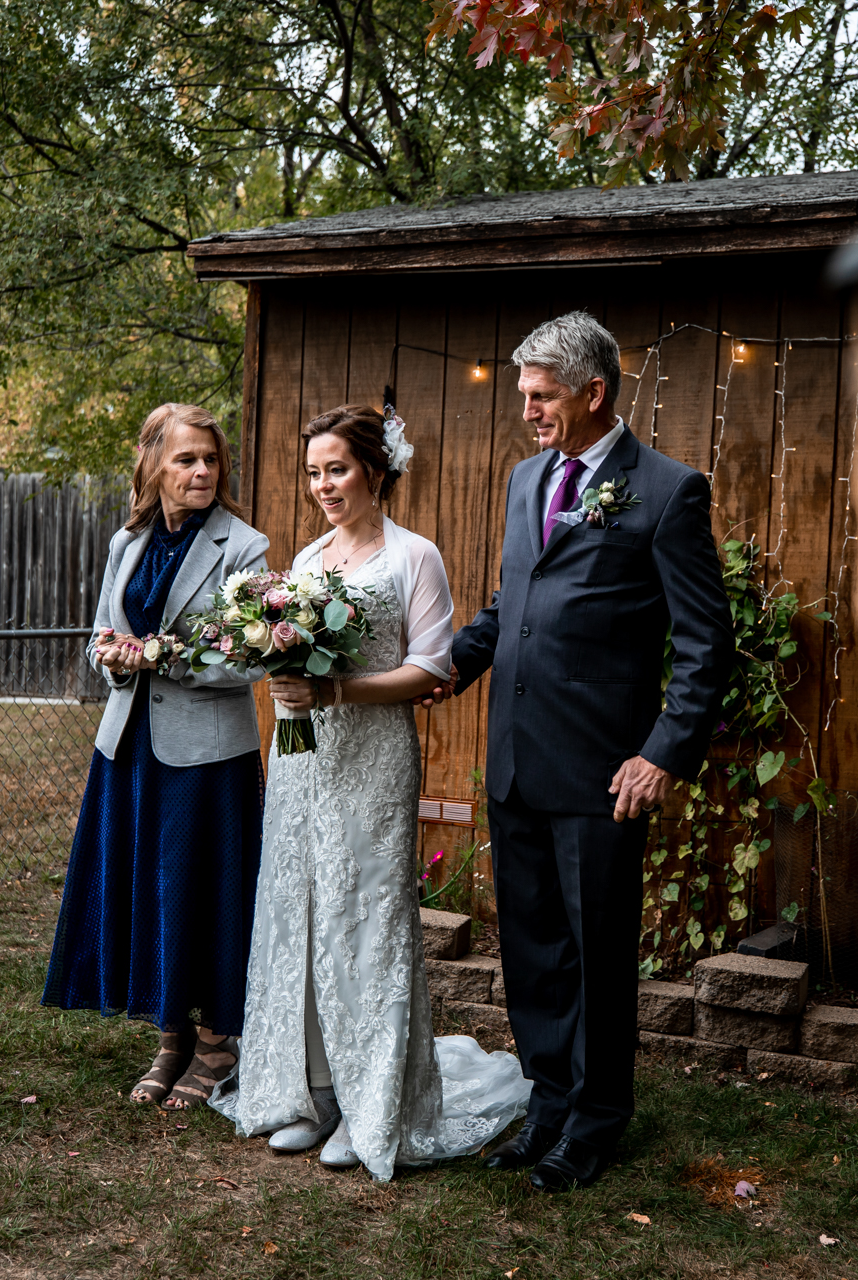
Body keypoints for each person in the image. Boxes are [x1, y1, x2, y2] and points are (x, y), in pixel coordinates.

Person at [431, 311, 733, 1192]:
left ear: (593, 393)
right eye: (524, 395)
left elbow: (706, 641)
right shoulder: (529, 480)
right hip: (518, 762)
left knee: (595, 951)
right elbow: (510, 601)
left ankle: (596, 1123)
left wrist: (663, 754)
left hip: (605, 774)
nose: (526, 411)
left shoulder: (669, 492)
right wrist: (451, 660)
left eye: (541, 395)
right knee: (531, 948)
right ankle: (549, 1102)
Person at [211, 404, 529, 1180]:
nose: (323, 485)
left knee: (368, 919)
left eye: (338, 469)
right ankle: (310, 1090)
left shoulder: (415, 557)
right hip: (299, 761)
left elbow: (434, 667)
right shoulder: (309, 557)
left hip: (373, 758)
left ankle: (372, 1103)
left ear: (375, 472)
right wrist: (278, 671)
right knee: (301, 913)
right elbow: (287, 645)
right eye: (314, 471)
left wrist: (338, 694)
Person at [42, 403, 270, 1110]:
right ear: (153, 466)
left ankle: (216, 1044)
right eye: (186, 460)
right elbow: (101, 638)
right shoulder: (127, 542)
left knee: (203, 893)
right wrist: (115, 660)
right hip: (129, 747)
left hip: (208, 756)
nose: (202, 471)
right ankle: (169, 1037)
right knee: (150, 889)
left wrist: (159, 659)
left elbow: (252, 658)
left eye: (210, 459)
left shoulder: (244, 548)